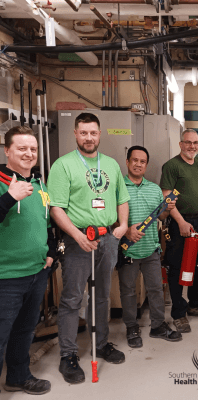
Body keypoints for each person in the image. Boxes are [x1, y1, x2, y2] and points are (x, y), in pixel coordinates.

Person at [47, 113, 130, 384]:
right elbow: (56, 207)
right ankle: (68, 355)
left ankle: (101, 343)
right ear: (75, 133)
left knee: (103, 295)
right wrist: (76, 235)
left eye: (93, 133)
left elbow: (122, 198)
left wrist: (123, 226)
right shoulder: (63, 165)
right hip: (77, 239)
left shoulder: (111, 164)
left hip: (107, 238)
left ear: (99, 133)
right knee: (72, 298)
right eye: (83, 133)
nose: (89, 138)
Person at [0, 126, 56, 395]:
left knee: (24, 332)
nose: (28, 153)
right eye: (22, 148)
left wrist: (51, 252)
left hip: (36, 272)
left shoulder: (39, 184)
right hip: (6, 276)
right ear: (7, 150)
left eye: (33, 149)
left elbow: (45, 224)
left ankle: (18, 377)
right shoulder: (1, 181)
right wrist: (9, 198)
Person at [117, 145, 182, 348]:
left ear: (146, 165)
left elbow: (160, 217)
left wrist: (166, 209)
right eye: (134, 160)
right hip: (127, 250)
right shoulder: (118, 188)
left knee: (155, 289)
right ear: (127, 162)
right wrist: (126, 230)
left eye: (142, 161)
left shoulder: (154, 188)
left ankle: (158, 326)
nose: (138, 164)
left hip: (151, 249)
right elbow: (110, 217)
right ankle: (131, 327)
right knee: (128, 291)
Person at [160, 128, 198, 333]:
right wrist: (180, 222)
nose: (192, 146)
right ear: (180, 144)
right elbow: (167, 197)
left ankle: (196, 303)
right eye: (188, 142)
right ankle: (179, 312)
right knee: (178, 266)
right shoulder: (171, 166)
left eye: (195, 143)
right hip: (180, 223)